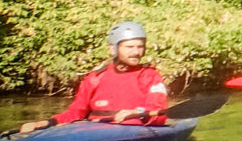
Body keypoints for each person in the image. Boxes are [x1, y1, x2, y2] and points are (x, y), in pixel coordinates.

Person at [19, 22, 170, 133]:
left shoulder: (150, 76)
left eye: (140, 46)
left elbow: (157, 111)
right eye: (129, 47)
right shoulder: (95, 78)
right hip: (95, 130)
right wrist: (47, 122)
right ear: (113, 49)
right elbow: (76, 112)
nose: (136, 52)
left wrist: (138, 113)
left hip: (135, 132)